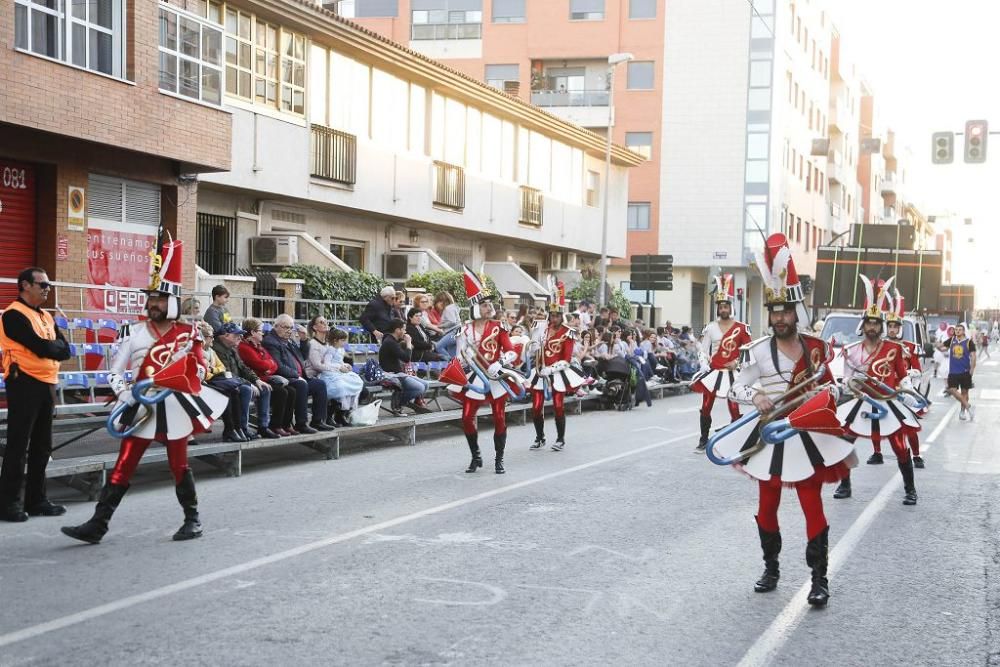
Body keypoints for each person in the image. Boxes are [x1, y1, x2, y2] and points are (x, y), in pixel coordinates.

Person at [714, 233, 856, 607]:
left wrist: (830, 394)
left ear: (795, 313)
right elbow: (734, 389)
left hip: (805, 433)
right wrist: (756, 395)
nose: (779, 319)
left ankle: (819, 580)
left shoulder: (817, 348)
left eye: (785, 313)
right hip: (770, 437)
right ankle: (771, 569)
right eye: (774, 313)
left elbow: (835, 385)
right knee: (767, 507)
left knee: (812, 504)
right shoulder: (757, 350)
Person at [62, 238, 228, 544]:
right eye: (150, 298)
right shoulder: (133, 332)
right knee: (124, 463)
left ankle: (193, 519)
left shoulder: (187, 334)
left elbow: (202, 368)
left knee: (179, 464)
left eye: (160, 299)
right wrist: (125, 395)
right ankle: (98, 524)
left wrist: (190, 377)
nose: (153, 304)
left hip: (176, 405)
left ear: (174, 302)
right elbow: (114, 371)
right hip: (142, 405)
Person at [832, 277, 920, 505]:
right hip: (860, 401)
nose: (872, 327)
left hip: (887, 402)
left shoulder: (894, 348)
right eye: (868, 323)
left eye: (875, 323)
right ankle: (845, 484)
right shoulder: (851, 352)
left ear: (881, 325)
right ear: (864, 325)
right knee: (844, 440)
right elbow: (847, 382)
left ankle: (910, 489)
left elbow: (902, 377)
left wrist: (909, 397)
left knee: (900, 447)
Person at [0, 267, 72, 522]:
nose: (46, 288)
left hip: (47, 382)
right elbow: (39, 346)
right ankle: (8, 503)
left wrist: (52, 348)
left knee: (43, 445)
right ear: (24, 285)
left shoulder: (46, 317)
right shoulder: (13, 315)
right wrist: (52, 348)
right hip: (24, 382)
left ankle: (36, 500)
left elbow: (66, 350)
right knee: (19, 444)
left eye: (48, 284)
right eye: (41, 284)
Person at [445, 267, 523, 474]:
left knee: (499, 417)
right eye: (485, 304)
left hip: (495, 375)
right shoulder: (465, 329)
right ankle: (475, 456)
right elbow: (459, 354)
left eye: (490, 304)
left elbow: (512, 351)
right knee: (466, 417)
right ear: (475, 307)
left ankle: (499, 459)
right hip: (474, 376)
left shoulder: (499, 326)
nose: (490, 307)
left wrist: (502, 361)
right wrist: (459, 364)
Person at [690, 274, 753, 452]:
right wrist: (705, 361)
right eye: (721, 306)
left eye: (726, 306)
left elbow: (749, 350)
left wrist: (737, 362)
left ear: (730, 307)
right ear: (718, 309)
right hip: (714, 372)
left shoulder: (741, 328)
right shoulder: (710, 327)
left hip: (732, 373)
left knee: (733, 406)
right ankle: (703, 439)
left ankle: (738, 440)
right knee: (705, 407)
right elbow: (703, 349)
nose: (723, 309)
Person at [526, 303, 584, 451]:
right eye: (552, 315)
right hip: (540, 371)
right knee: (536, 407)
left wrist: (550, 369)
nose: (554, 318)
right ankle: (540, 437)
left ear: (562, 316)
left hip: (558, 372)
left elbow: (566, 359)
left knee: (558, 406)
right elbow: (534, 350)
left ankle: (560, 439)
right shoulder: (542, 329)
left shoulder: (569, 332)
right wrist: (534, 336)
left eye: (557, 315)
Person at [263, 314, 333, 433]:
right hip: (285, 378)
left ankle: (318, 421)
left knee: (319, 384)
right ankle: (301, 423)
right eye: (286, 327)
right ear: (276, 326)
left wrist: (304, 340)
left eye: (291, 327)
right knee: (301, 385)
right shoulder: (271, 341)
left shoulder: (288, 340)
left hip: (299, 376)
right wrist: (297, 375)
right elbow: (279, 366)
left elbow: (302, 356)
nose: (289, 330)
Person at [214, 321, 278, 439]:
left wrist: (256, 380)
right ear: (225, 336)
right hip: (225, 383)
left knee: (264, 388)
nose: (240, 337)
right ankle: (242, 428)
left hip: (236, 381)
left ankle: (263, 427)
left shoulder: (232, 348)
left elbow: (243, 367)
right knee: (246, 389)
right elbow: (227, 374)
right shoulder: (218, 349)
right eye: (236, 335)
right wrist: (248, 383)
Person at [885, 290, 927, 469]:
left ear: (900, 328)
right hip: (886, 390)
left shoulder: (909, 347)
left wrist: (905, 374)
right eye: (890, 326)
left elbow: (918, 370)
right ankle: (878, 453)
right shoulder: (881, 346)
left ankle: (916, 455)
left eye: (895, 326)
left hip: (904, 390)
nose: (892, 329)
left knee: (909, 427)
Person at [239, 318, 294, 436]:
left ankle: (285, 424)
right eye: (260, 330)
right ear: (253, 332)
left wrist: (267, 366)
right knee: (281, 392)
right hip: (256, 380)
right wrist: (267, 365)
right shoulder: (244, 347)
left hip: (264, 378)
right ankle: (273, 425)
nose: (263, 333)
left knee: (291, 390)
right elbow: (260, 364)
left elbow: (273, 364)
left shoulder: (259, 345)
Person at [201, 323, 251, 443]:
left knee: (234, 390)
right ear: (202, 338)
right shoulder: (198, 351)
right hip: (204, 383)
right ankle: (229, 429)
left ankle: (236, 428)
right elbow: (202, 372)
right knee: (226, 393)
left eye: (212, 336)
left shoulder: (211, 351)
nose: (213, 339)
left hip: (214, 380)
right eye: (210, 336)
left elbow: (221, 368)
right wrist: (212, 371)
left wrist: (212, 369)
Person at [378, 318, 431, 414]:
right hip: (393, 375)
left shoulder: (392, 341)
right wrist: (408, 343)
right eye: (403, 329)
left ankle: (408, 400)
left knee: (426, 384)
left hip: (399, 373)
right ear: (397, 330)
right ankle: (399, 402)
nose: (405, 332)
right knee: (420, 388)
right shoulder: (390, 342)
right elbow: (406, 358)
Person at [317, 328, 363, 425]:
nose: (345, 342)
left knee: (356, 382)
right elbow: (327, 364)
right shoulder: (330, 350)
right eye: (342, 340)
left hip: (339, 372)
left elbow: (340, 361)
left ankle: (342, 414)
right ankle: (331, 415)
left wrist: (346, 365)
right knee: (341, 387)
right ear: (335, 340)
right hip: (330, 373)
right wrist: (340, 367)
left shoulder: (341, 349)